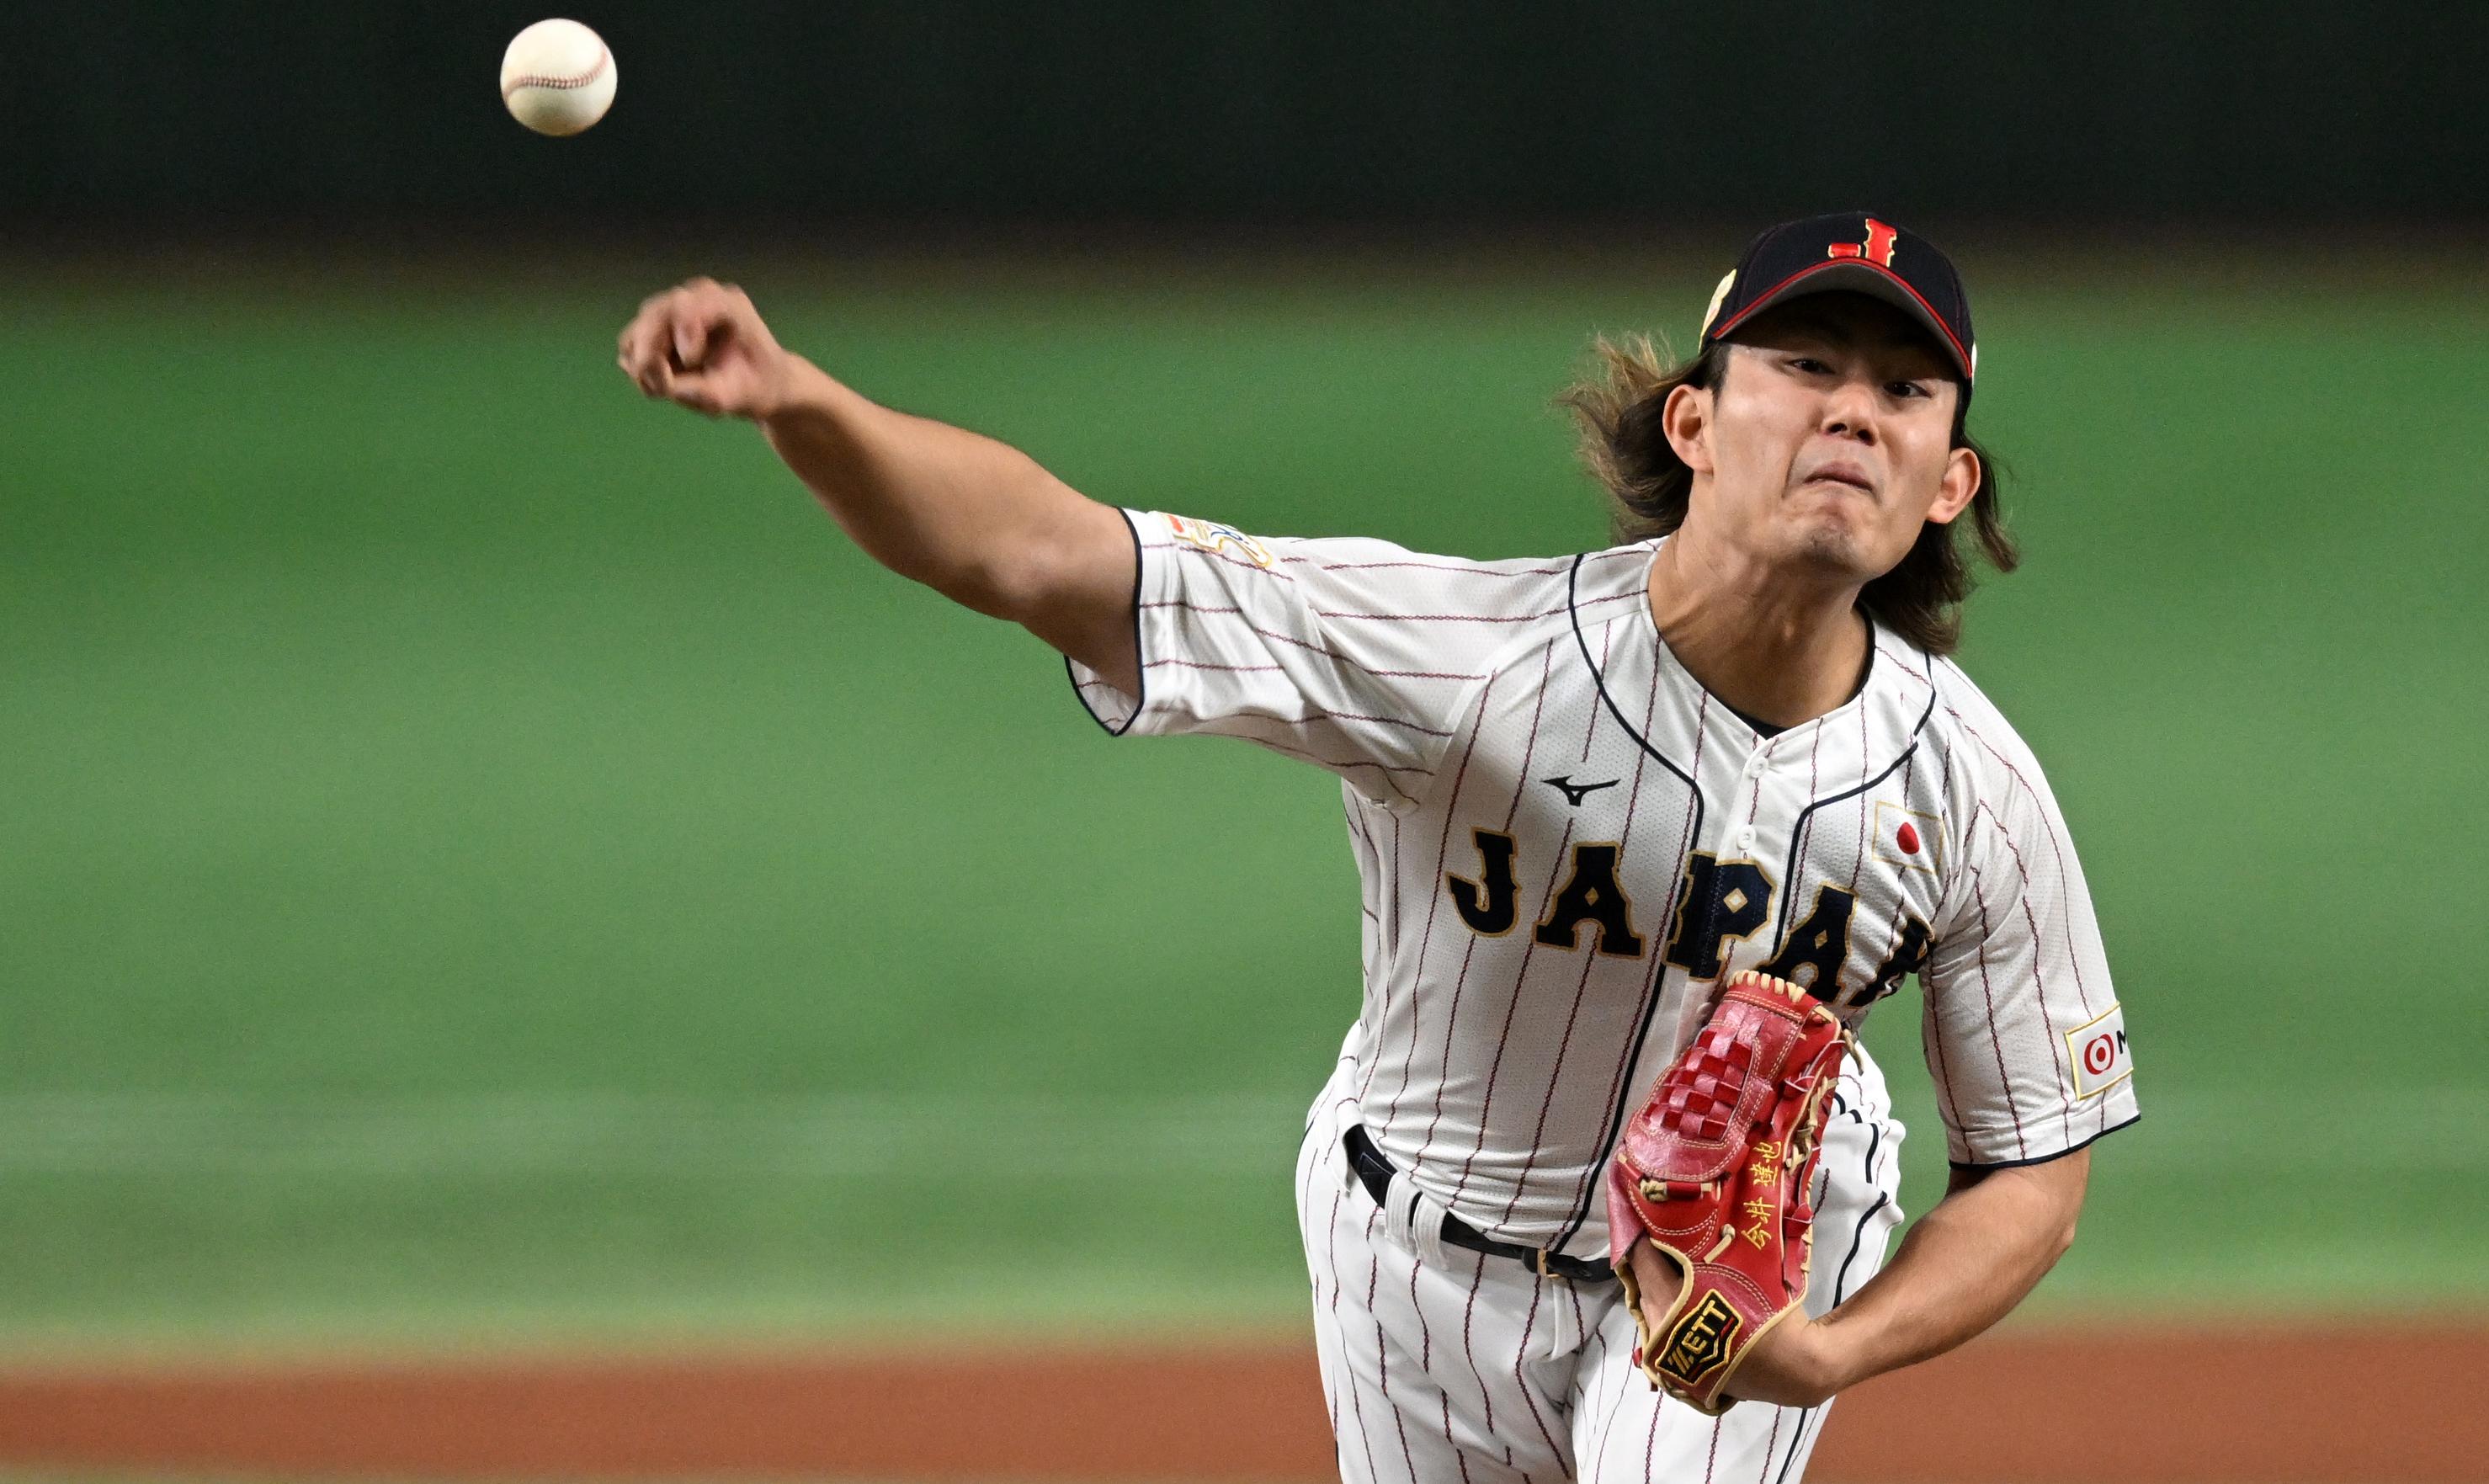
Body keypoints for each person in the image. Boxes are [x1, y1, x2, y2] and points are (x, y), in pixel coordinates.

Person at [614, 212, 2139, 1483]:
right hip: (1409, 1252)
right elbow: (1043, 555)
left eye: (1905, 392)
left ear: (1950, 482)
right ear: (1695, 421)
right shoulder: (1466, 660)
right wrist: (801, 403)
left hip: (1728, 1270)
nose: (1852, 411)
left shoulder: (1974, 793)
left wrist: (1829, 1346)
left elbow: (2032, 1172)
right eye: (1804, 368)